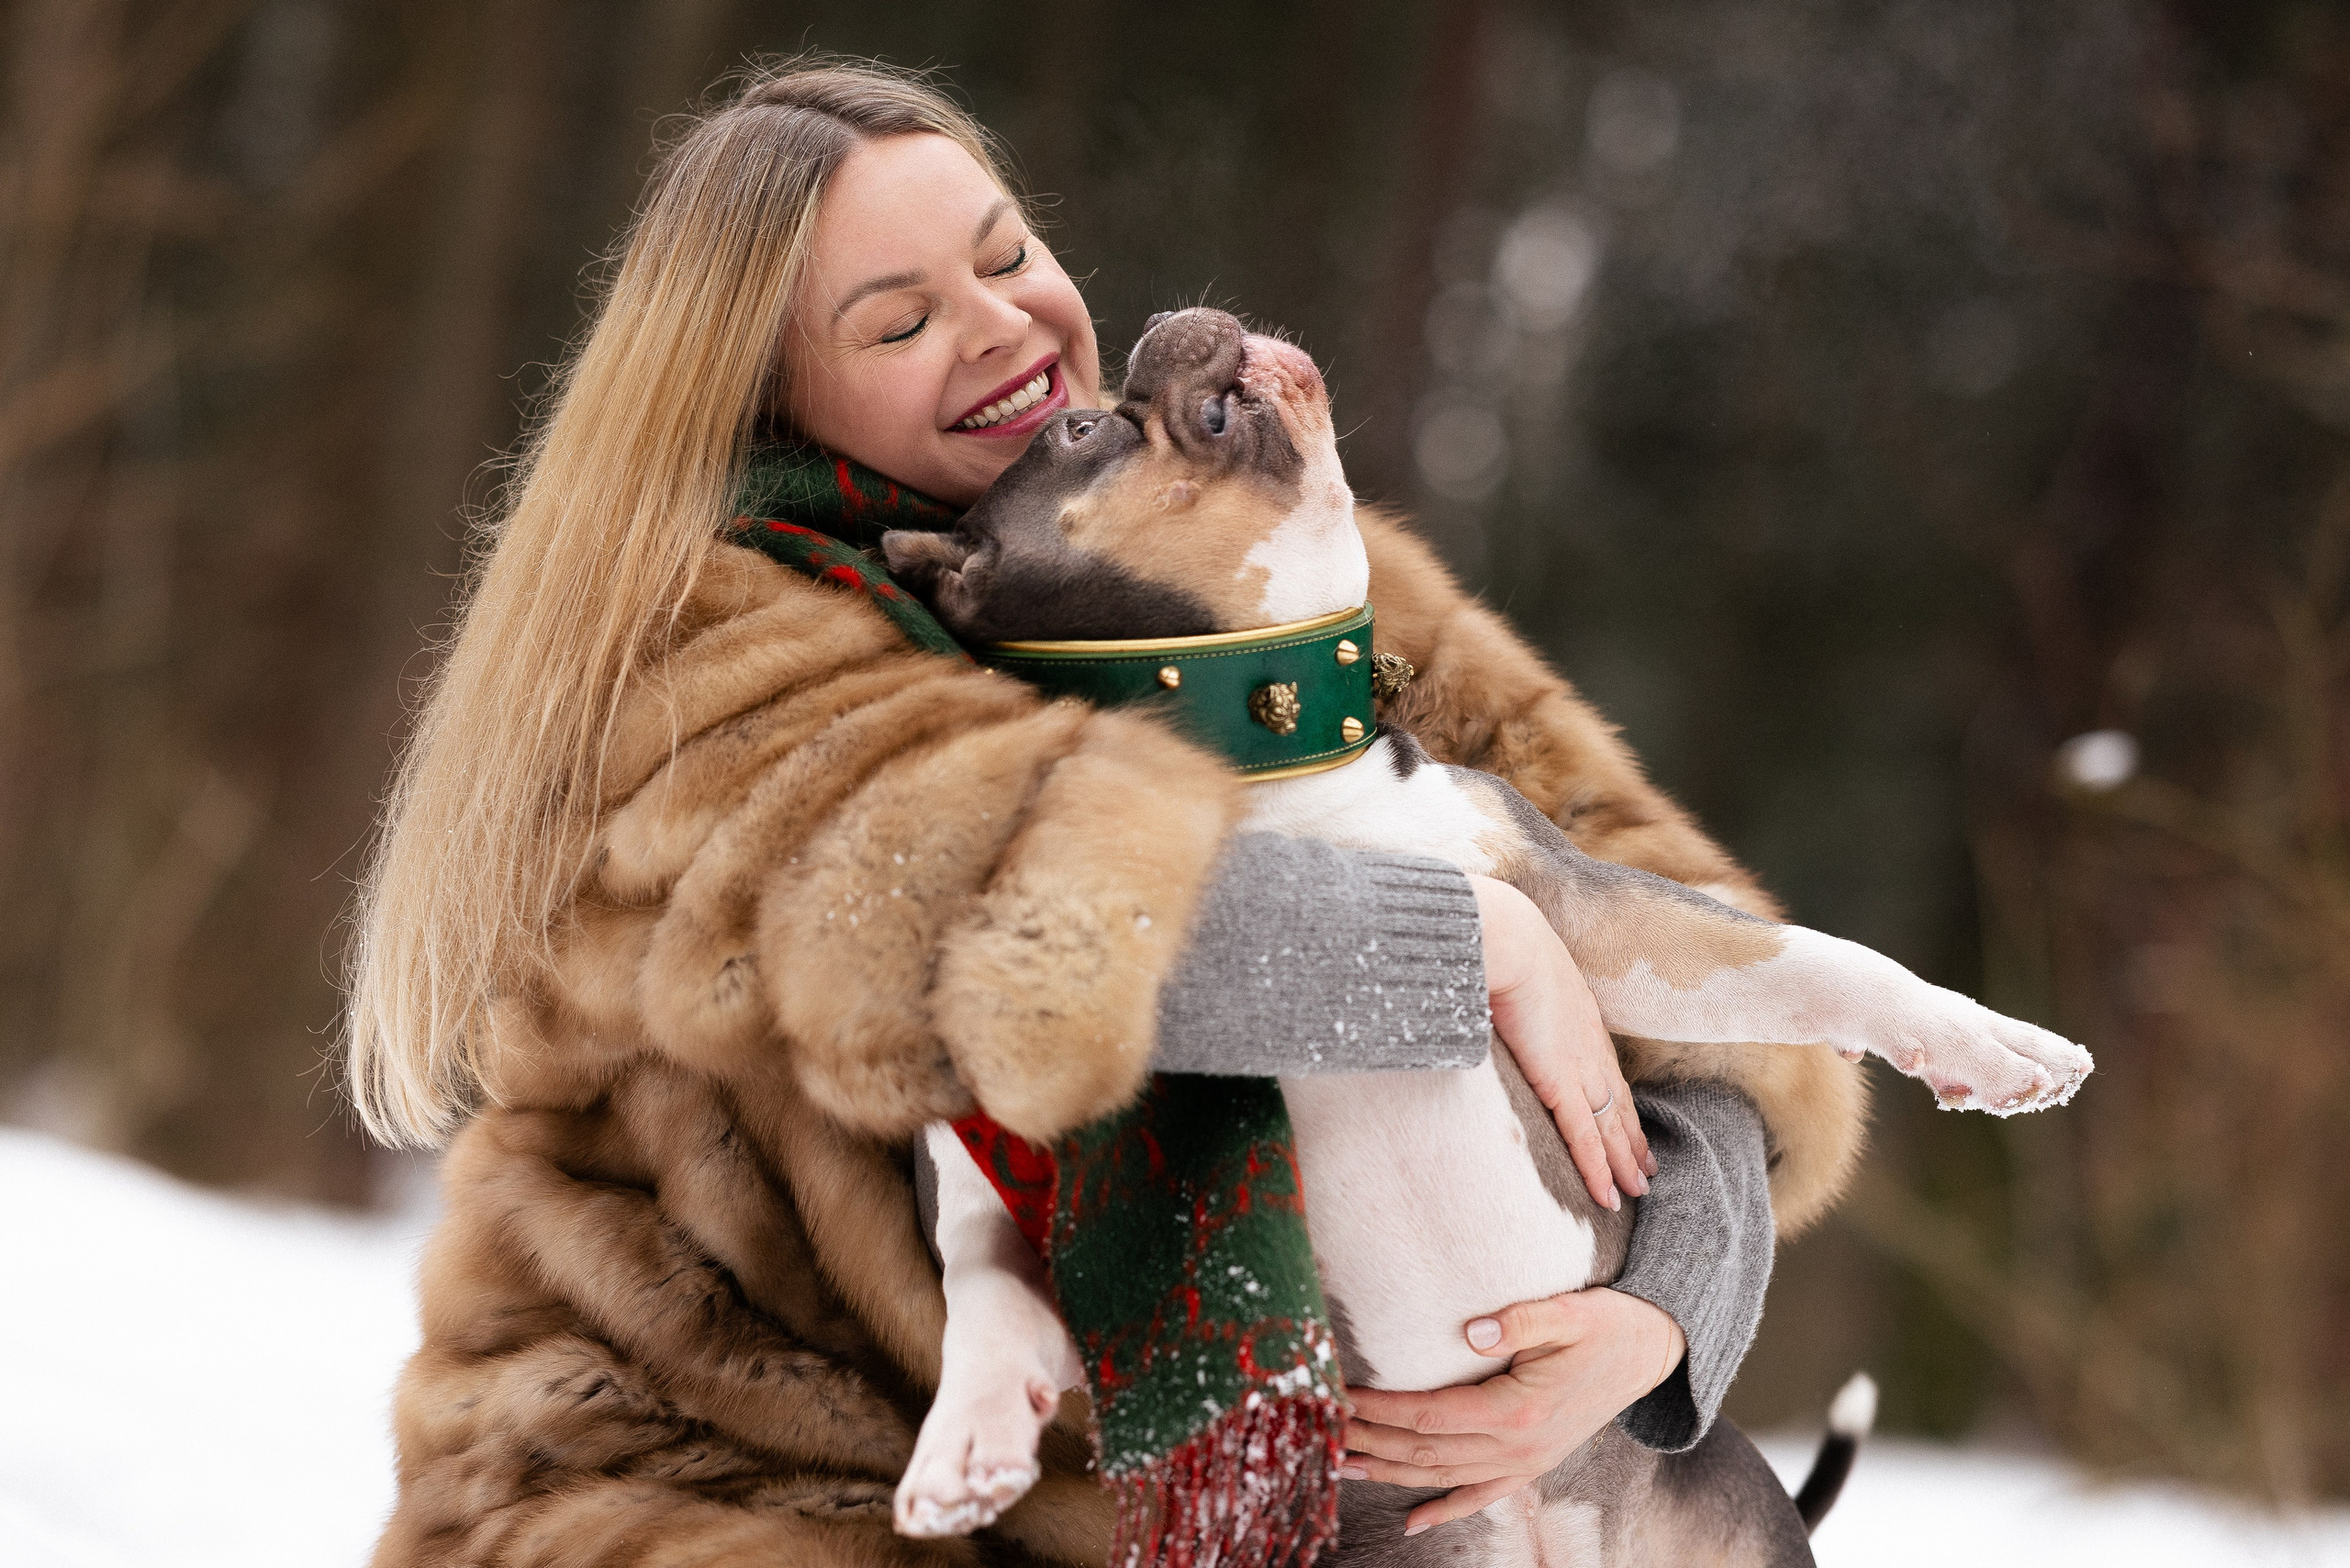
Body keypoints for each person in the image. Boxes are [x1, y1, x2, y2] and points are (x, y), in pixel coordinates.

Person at [347, 58, 1863, 1565]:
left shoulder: (1277, 570)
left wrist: (1657, 1319)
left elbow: (1711, 993)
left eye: (1008, 255)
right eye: (899, 320)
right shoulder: (699, 658)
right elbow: (1050, 937)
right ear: (766, 394)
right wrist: (1481, 934)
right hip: (715, 1492)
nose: (1003, 324)